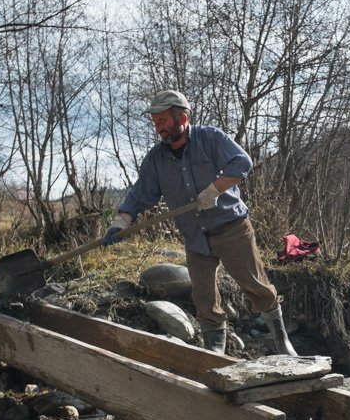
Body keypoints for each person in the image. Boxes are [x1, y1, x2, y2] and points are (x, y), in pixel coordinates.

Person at [102, 90, 297, 357]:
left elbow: (242, 162)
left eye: (162, 121)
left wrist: (214, 190)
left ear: (181, 117)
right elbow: (140, 193)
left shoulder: (210, 138)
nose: (158, 128)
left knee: (256, 285)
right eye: (155, 122)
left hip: (231, 227)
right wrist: (121, 221)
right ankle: (214, 350)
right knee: (203, 298)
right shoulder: (156, 159)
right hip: (194, 236)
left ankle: (281, 340)